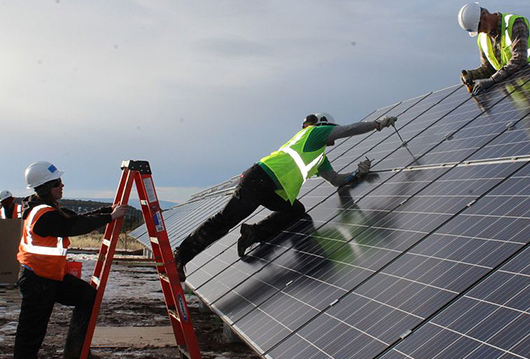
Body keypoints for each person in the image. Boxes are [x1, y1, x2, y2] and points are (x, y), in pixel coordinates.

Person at [174, 112, 398, 280]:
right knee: (224, 221)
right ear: (324, 126)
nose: (334, 136)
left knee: (296, 212)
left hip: (272, 188)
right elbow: (347, 130)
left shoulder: (319, 156)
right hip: (259, 180)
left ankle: (254, 232)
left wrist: (358, 173)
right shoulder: (313, 133)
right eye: (332, 130)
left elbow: (336, 181)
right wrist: (376, 125)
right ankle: (181, 257)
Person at [13, 161, 126, 359]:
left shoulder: (47, 207)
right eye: (58, 183)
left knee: (87, 296)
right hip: (37, 281)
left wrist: (108, 211)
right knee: (31, 334)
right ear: (47, 187)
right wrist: (110, 217)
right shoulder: (43, 215)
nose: (62, 186)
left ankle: (76, 351)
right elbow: (74, 226)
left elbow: (76, 218)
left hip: (49, 277)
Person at [458, 2, 530, 95]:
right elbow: (489, 69)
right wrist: (472, 75)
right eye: (478, 31)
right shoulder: (482, 39)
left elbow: (520, 59)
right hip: (519, 95)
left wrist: (492, 80)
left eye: (480, 27)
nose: (481, 32)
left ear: (484, 15)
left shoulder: (514, 22)